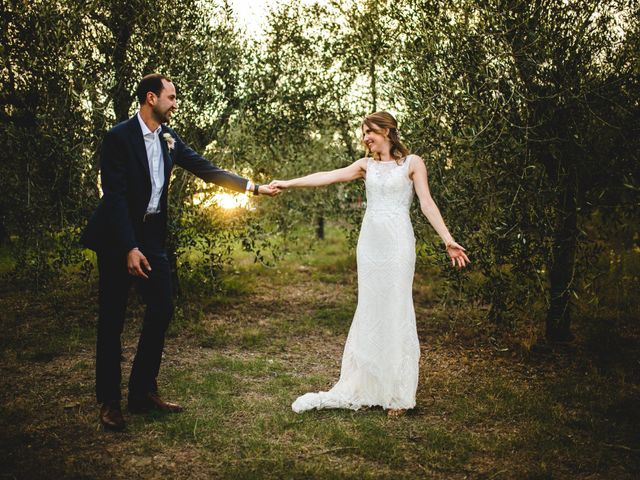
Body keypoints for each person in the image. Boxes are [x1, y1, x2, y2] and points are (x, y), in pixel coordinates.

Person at [80, 73, 278, 431]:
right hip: (115, 238)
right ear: (151, 98)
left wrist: (254, 187)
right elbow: (115, 197)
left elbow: (205, 168)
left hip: (152, 236)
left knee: (162, 306)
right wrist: (129, 247)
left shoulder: (168, 138)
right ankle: (109, 403)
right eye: (171, 97)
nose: (175, 103)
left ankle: (141, 393)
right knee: (112, 319)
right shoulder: (118, 137)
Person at [270, 111, 469, 416]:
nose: (365, 138)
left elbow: (427, 202)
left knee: (397, 306)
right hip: (370, 245)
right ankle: (371, 383)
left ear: (387, 131)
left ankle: (399, 394)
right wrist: (288, 183)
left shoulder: (412, 163)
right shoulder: (366, 166)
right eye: (363, 133)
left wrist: (447, 239)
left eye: (370, 132)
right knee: (371, 307)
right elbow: (328, 176)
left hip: (399, 243)